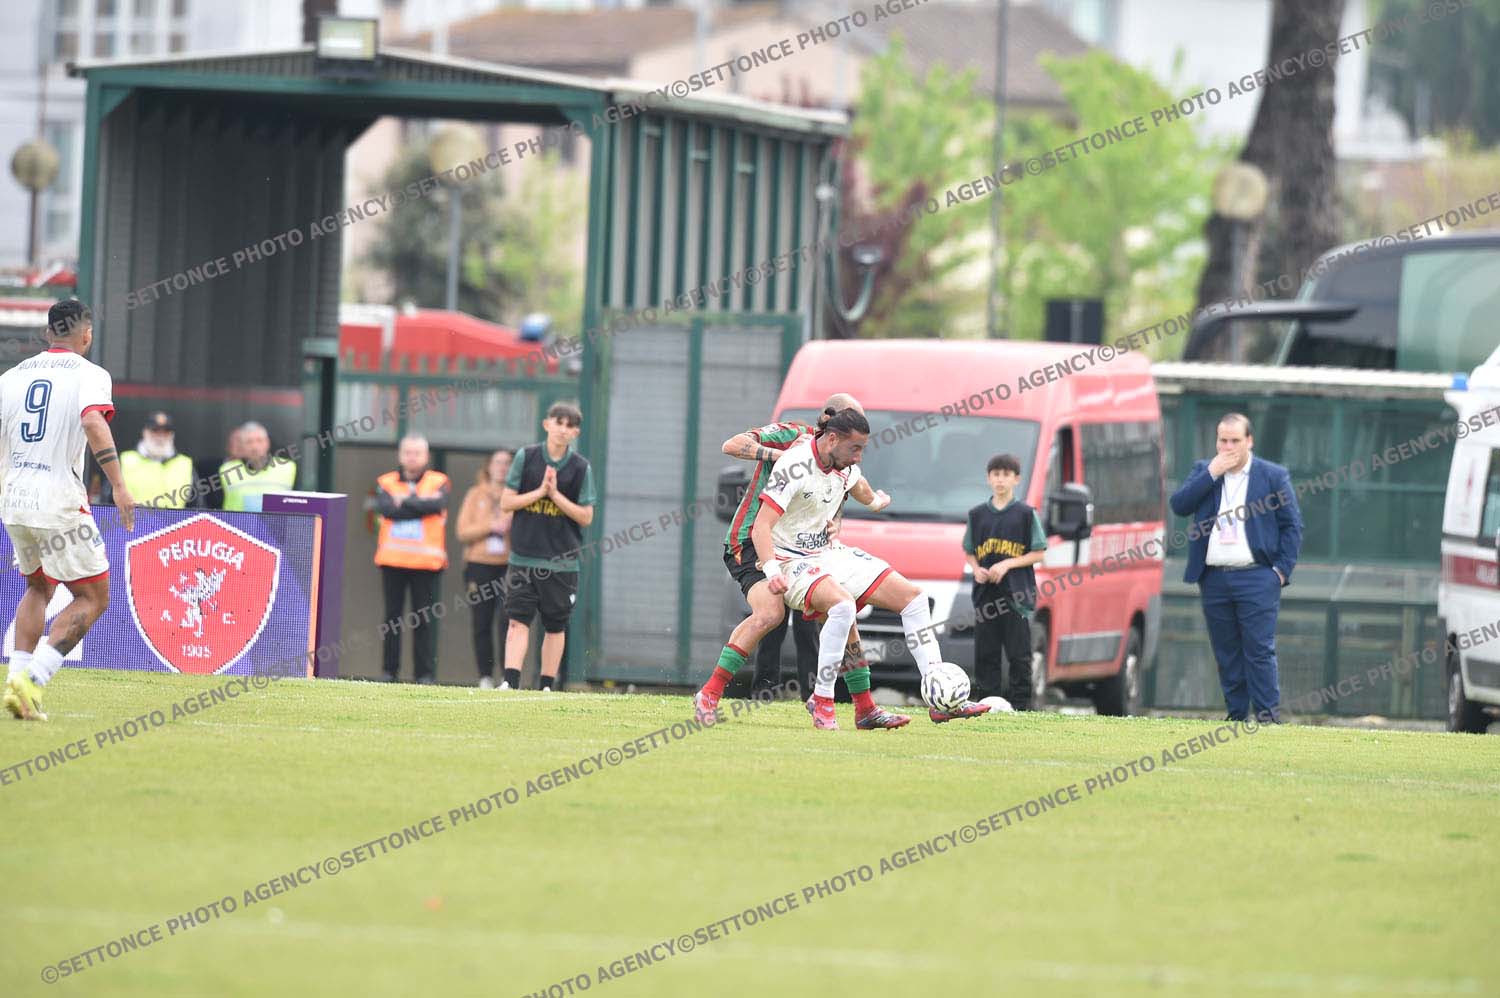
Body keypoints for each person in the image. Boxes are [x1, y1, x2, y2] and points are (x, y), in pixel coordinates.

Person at [699, 408, 987, 730]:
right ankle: (818, 699)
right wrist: (771, 570)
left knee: (913, 598)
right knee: (817, 609)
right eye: (856, 448)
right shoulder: (794, 462)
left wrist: (875, 502)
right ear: (832, 438)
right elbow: (761, 526)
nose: (859, 456)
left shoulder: (844, 465)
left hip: (824, 553)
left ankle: (937, 693)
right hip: (785, 557)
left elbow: (858, 485)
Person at [2, 300, 136, 720]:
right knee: (93, 597)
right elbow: (94, 422)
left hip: (15, 499)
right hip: (58, 500)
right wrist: (119, 486)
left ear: (48, 333)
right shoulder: (90, 374)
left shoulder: (11, 377)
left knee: (38, 587)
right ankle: (33, 679)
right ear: (87, 335)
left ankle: (15, 682)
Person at [718, 396, 865, 697]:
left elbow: (840, 494)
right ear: (830, 420)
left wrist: (836, 523)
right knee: (771, 615)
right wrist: (781, 457)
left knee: (819, 617)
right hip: (756, 538)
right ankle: (758, 691)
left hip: (801, 548)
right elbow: (731, 445)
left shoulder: (838, 458)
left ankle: (818, 696)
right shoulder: (793, 436)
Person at [1169, 412, 1303, 723]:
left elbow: (1292, 526)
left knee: (1258, 650)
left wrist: (1280, 571)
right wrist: (1211, 474)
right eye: (1223, 441)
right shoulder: (1204, 471)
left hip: (1257, 575)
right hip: (1214, 576)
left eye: (1235, 441)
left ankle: (1268, 719)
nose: (1228, 447)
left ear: (1249, 441)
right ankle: (1236, 716)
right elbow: (1179, 505)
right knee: (1226, 651)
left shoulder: (1272, 476)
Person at [500, 402, 595, 692]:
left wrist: (555, 496)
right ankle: (510, 682)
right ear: (547, 424)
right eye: (559, 422)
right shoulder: (526, 457)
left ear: (576, 432)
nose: (563, 429)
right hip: (523, 558)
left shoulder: (580, 468)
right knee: (517, 621)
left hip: (562, 562)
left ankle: (546, 686)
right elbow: (507, 502)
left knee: (555, 625)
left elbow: (586, 516)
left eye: (570, 426)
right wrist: (540, 492)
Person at [963, 453, 1048, 709]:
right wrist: (976, 569)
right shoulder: (977, 515)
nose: (1000, 480)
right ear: (989, 478)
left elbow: (1039, 552)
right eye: (996, 474)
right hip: (985, 595)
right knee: (985, 654)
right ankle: (986, 704)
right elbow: (969, 550)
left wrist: (1007, 564)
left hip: (1016, 595)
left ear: (1016, 479)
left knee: (1019, 655)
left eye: (1006, 475)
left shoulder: (1025, 514)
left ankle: (1021, 707)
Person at [374, 435, 451, 684]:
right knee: (392, 619)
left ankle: (424, 675)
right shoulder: (385, 481)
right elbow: (387, 509)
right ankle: (389, 672)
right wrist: (420, 504)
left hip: (426, 564)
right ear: (400, 454)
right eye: (408, 452)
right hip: (392, 561)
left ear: (426, 456)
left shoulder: (439, 481)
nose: (412, 457)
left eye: (417, 453)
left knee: (424, 619)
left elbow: (437, 505)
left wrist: (404, 502)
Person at [457, 448, 514, 689]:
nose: (502, 467)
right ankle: (485, 676)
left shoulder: (517, 495)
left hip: (508, 565)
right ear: (489, 466)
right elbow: (462, 532)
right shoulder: (475, 494)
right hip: (478, 565)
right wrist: (491, 526)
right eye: (498, 462)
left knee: (507, 621)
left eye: (507, 463)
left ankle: (507, 676)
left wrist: (509, 525)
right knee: (481, 621)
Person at [104, 410, 196, 509]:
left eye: (166, 432)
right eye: (155, 430)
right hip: (133, 519)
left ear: (172, 435)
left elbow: (197, 508)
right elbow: (105, 504)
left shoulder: (185, 464)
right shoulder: (125, 461)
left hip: (176, 520)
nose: (160, 437)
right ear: (145, 432)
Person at [219, 421, 296, 512]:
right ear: (242, 446)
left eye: (259, 440)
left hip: (276, 521)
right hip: (236, 521)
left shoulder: (288, 467)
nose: (255, 447)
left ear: (267, 442)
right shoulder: (227, 470)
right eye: (249, 442)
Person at [195, 427, 243, 510]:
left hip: (254, 516)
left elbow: (268, 507)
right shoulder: (206, 468)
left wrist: (267, 516)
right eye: (237, 440)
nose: (240, 445)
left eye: (244, 441)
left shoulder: (264, 473)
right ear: (228, 444)